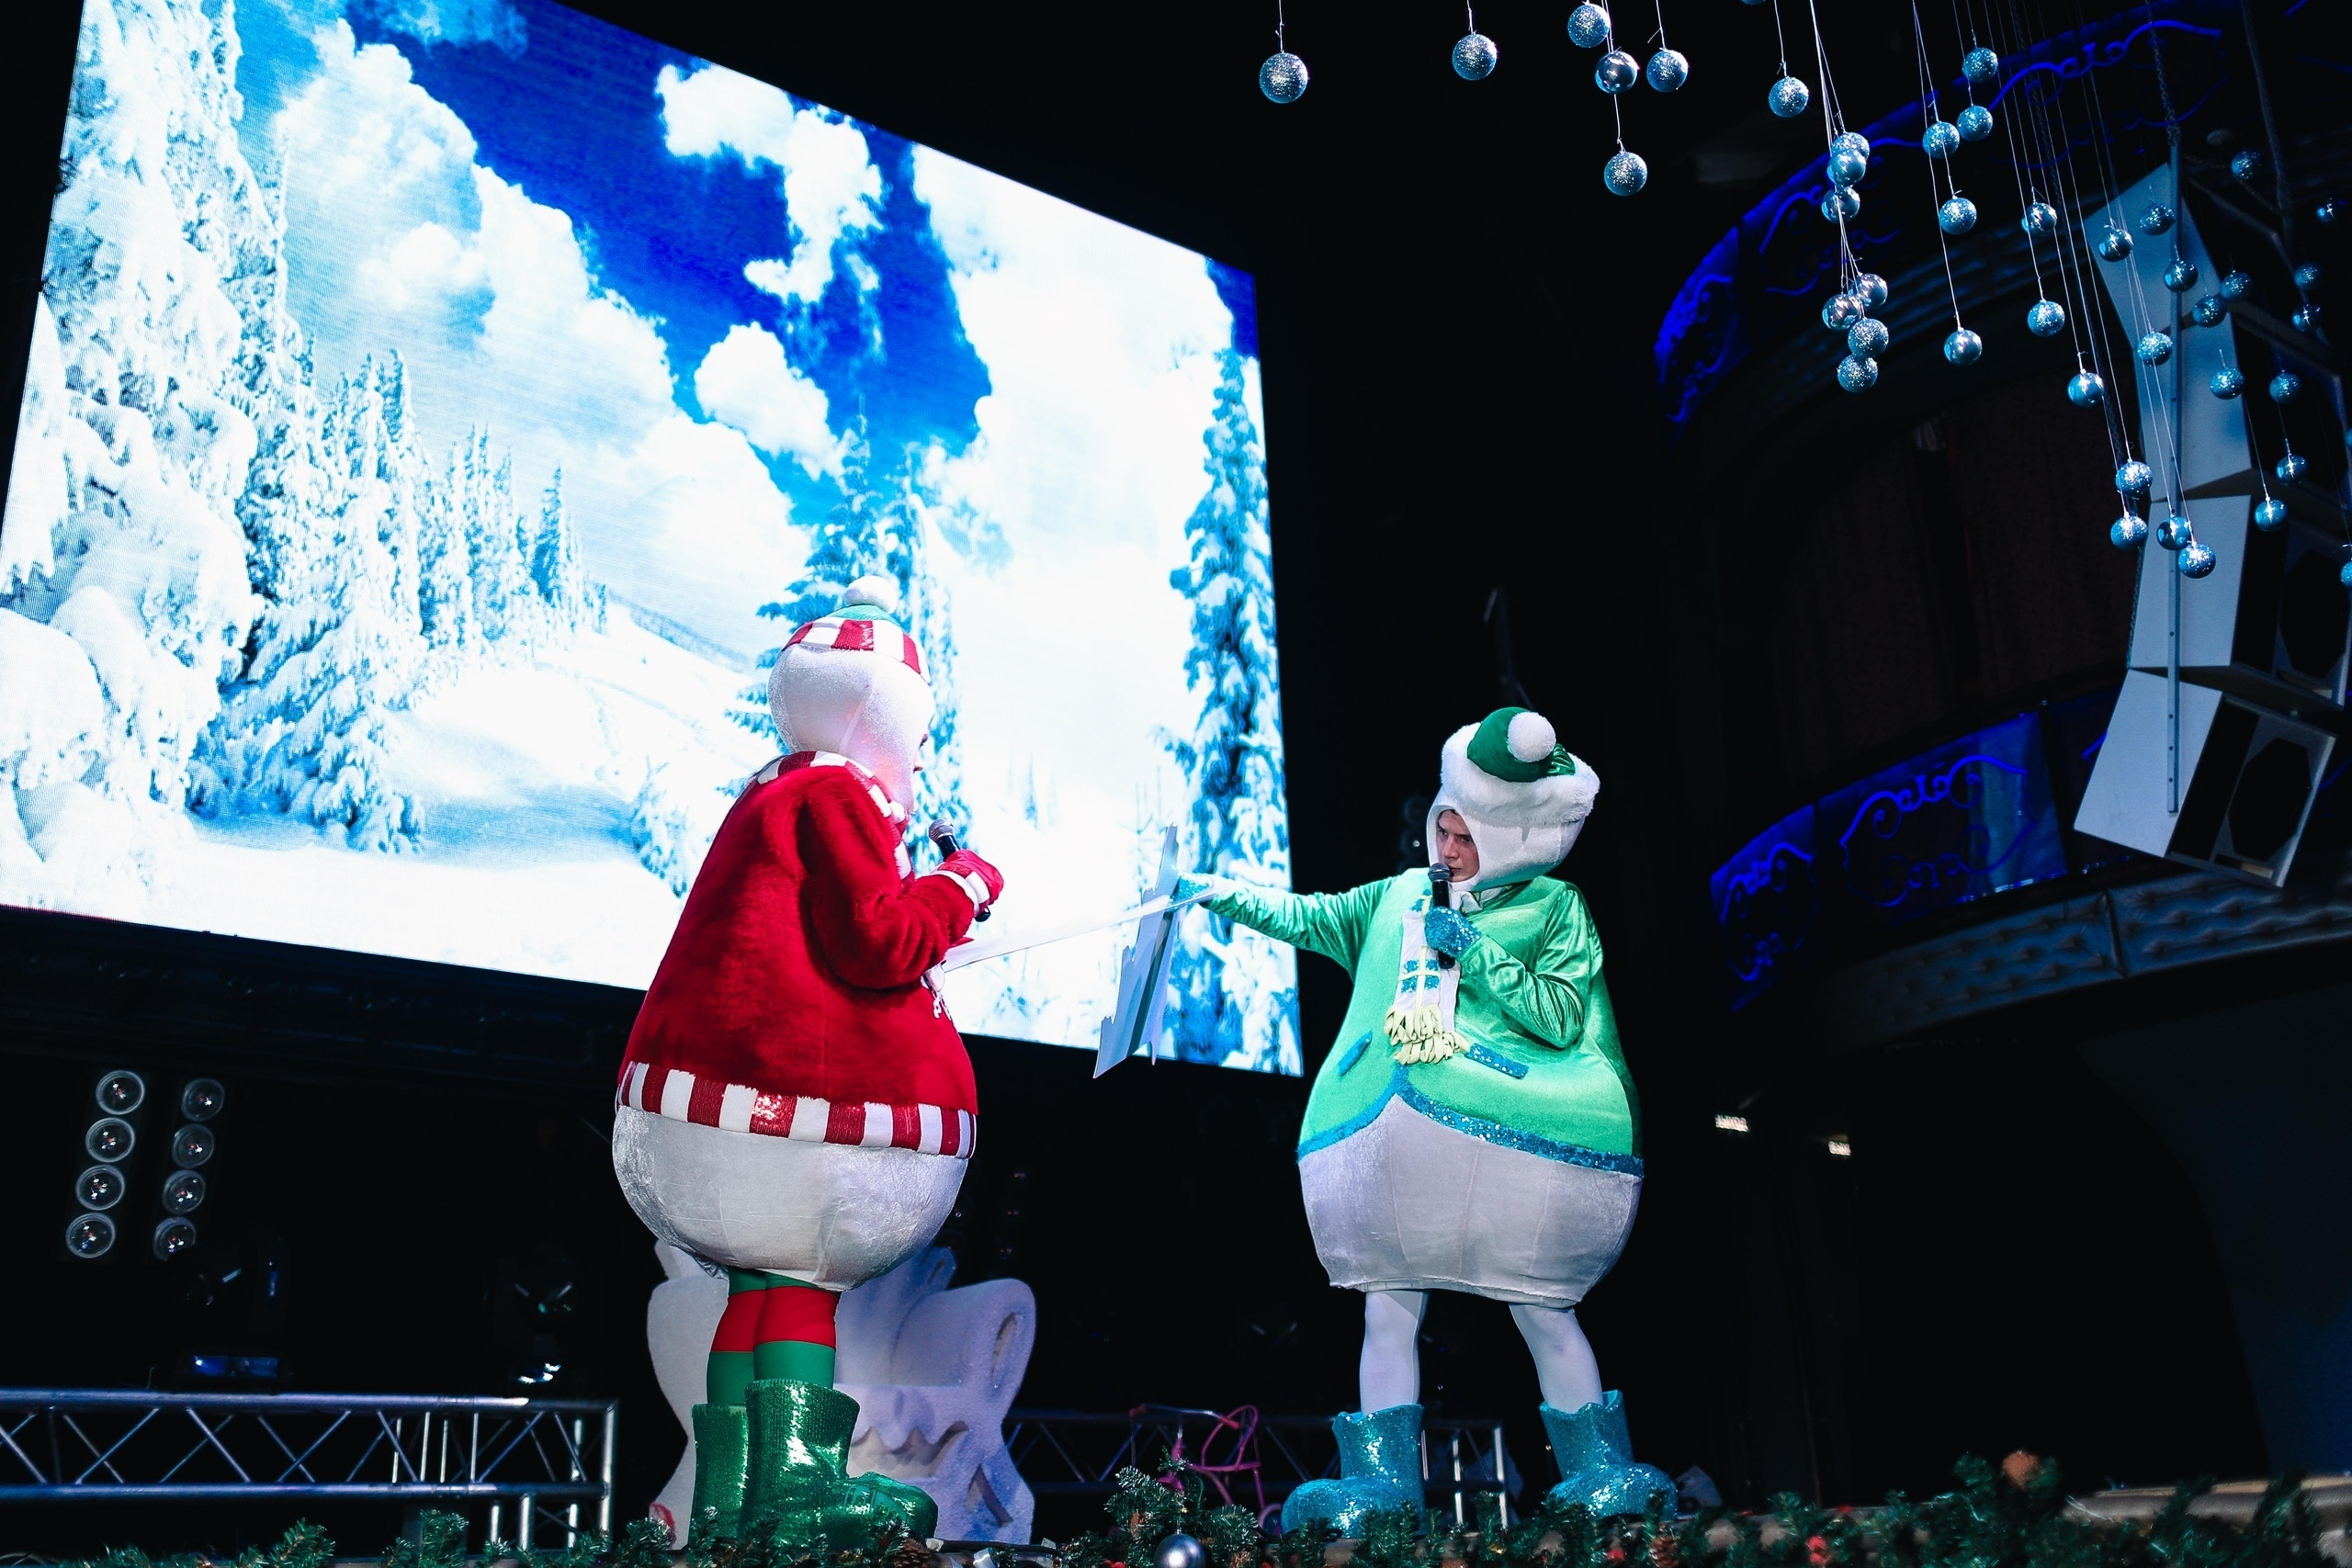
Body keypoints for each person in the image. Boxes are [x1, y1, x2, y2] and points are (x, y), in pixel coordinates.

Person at [1180, 706, 1668, 1531]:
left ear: (1508, 838)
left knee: (1542, 1308)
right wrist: (1216, 892)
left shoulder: (1554, 906)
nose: (1447, 849)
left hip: (1514, 1139)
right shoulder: (1401, 895)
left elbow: (1559, 1015)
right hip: (1411, 1147)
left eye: (1467, 837)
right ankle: (1384, 1488)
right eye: (1444, 828)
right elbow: (1309, 917)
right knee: (1386, 1306)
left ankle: (1602, 1476)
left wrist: (1474, 951)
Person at [610, 576, 1003, 1547]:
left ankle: (727, 1502)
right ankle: (793, 1490)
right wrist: (959, 886)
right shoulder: (837, 793)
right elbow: (877, 941)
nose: (921, 754)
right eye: (918, 732)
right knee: (794, 1286)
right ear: (879, 715)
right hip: (790, 1118)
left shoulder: (773, 788)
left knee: (752, 1290)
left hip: (705, 1100)